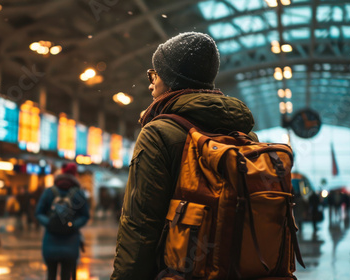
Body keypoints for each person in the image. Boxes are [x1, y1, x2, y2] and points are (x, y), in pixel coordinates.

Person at [111, 32, 258, 280]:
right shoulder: (246, 137)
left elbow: (140, 226)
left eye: (154, 75)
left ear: (170, 80)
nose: (150, 84)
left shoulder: (159, 133)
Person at [35, 163, 90, 280]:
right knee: (66, 275)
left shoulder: (49, 192)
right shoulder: (79, 194)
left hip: (51, 241)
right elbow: (85, 216)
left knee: (51, 275)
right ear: (75, 176)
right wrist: (73, 225)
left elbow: (38, 212)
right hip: (70, 242)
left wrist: (49, 223)